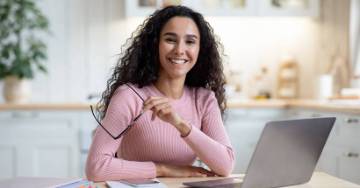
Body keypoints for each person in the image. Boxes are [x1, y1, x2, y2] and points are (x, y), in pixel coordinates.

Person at [85, 5, 234, 181]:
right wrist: (163, 169)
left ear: (200, 49)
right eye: (170, 39)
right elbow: (96, 167)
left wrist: (180, 124)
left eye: (190, 41)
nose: (179, 50)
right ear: (155, 44)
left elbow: (226, 166)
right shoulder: (129, 97)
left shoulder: (204, 99)